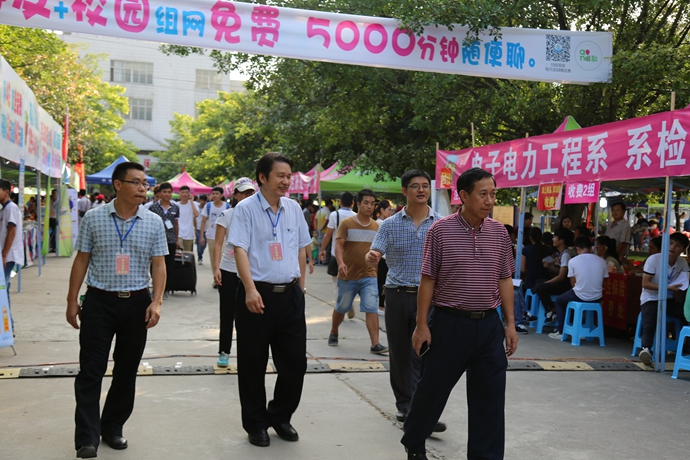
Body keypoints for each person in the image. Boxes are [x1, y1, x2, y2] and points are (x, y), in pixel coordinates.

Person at [401, 168, 517, 460]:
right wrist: (421, 325)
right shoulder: (441, 230)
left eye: (493, 194)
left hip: (488, 326)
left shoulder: (499, 233)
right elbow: (428, 280)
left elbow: (504, 279)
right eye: (483, 194)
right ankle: (414, 442)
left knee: (490, 399)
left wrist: (510, 323)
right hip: (448, 324)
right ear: (463, 196)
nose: (489, 200)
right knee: (432, 391)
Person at [65, 162, 167, 459]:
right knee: (91, 369)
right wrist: (72, 300)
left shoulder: (153, 221)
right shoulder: (94, 217)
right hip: (99, 302)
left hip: (137, 304)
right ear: (118, 185)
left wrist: (156, 302)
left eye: (145, 183)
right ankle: (87, 437)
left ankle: (112, 427)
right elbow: (82, 259)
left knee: (126, 370)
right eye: (136, 182)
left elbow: (159, 264)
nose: (142, 188)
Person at [228, 152, 311, 447]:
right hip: (257, 295)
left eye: (288, 176)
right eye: (280, 176)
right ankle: (256, 424)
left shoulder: (293, 208)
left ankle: (280, 415)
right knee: (253, 363)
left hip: (290, 296)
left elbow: (301, 247)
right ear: (262, 178)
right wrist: (250, 289)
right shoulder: (245, 209)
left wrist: (301, 287)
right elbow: (239, 249)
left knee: (295, 363)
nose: (285, 181)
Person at [366, 170, 444, 429]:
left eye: (425, 186)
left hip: (430, 299)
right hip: (398, 295)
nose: (421, 190)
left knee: (426, 354)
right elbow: (374, 251)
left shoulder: (441, 224)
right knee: (400, 353)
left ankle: (422, 409)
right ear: (404, 191)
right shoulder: (389, 224)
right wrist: (371, 257)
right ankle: (404, 406)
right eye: (415, 186)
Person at [328, 189, 388, 354]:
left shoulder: (376, 226)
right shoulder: (346, 223)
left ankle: (375, 344)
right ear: (358, 204)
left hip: (369, 275)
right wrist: (340, 263)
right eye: (366, 203)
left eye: (372, 203)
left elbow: (378, 250)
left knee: (371, 307)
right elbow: (338, 245)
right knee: (342, 307)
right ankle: (334, 331)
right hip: (347, 275)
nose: (369, 206)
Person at [212, 177, 256, 367]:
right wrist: (216, 268)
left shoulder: (257, 215)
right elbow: (218, 243)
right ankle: (224, 351)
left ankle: (248, 353)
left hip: (251, 271)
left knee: (249, 315)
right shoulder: (227, 215)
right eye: (244, 192)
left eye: (250, 192)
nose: (247, 196)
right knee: (227, 313)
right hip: (229, 270)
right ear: (235, 195)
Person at [637, 232, 690, 365]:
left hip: (668, 299)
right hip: (650, 297)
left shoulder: (682, 262)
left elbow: (686, 279)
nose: (673, 247)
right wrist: (667, 287)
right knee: (650, 322)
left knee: (686, 314)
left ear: (683, 249)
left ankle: (685, 348)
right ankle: (646, 349)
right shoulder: (654, 259)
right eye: (670, 243)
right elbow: (645, 283)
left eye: (678, 245)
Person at [548, 236, 609, 339]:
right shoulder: (602, 261)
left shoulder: (573, 261)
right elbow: (604, 282)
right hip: (597, 297)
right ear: (590, 247)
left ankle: (561, 331)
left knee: (559, 301)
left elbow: (573, 284)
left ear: (577, 249)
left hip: (579, 295)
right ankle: (584, 328)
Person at [319, 192, 356, 317]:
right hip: (351, 256)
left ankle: (340, 308)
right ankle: (350, 302)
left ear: (340, 202)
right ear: (353, 204)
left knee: (337, 284)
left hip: (336, 254)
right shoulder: (355, 216)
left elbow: (328, 234)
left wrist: (322, 249)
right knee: (350, 281)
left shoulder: (335, 215)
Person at [532, 228, 576, 323]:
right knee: (538, 282)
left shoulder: (566, 255)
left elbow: (561, 276)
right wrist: (550, 267)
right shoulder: (561, 254)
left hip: (566, 285)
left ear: (561, 240)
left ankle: (552, 310)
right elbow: (559, 270)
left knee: (540, 286)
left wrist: (546, 283)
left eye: (555, 237)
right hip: (562, 282)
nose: (553, 239)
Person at [148, 183, 180, 299]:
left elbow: (176, 224)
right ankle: (155, 288)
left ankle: (165, 289)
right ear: (160, 193)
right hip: (156, 240)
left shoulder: (175, 207)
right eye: (164, 192)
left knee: (169, 265)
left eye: (169, 192)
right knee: (155, 265)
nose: (167, 194)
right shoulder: (153, 207)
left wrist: (177, 239)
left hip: (170, 240)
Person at [0, 179, 22, 334]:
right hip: (6, 255)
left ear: (6, 192)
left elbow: (12, 232)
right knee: (3, 290)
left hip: (8, 256)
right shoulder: (5, 209)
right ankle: (7, 326)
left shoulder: (11, 208)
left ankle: (8, 327)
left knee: (2, 290)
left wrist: (4, 254)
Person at [200, 187, 230, 287]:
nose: (215, 195)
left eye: (217, 193)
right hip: (211, 236)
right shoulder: (208, 206)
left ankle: (222, 278)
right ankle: (216, 278)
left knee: (222, 258)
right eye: (213, 194)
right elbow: (203, 221)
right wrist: (201, 236)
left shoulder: (227, 206)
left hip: (224, 237)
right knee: (214, 259)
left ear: (221, 195)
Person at [375, 199, 392, 311]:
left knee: (382, 281)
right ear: (382, 210)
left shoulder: (379, 222)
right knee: (383, 282)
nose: (391, 212)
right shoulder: (381, 223)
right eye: (389, 210)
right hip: (383, 257)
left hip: (382, 257)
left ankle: (381, 304)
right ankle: (381, 305)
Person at [176, 185, 199, 252]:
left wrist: (191, 201)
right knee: (180, 253)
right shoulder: (176, 205)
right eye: (182, 192)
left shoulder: (194, 204)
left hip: (189, 234)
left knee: (188, 254)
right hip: (179, 233)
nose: (184, 194)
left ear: (189, 194)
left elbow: (196, 214)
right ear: (179, 193)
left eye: (186, 192)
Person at [315, 199, 334, 264]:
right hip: (325, 231)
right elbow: (326, 221)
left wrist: (317, 229)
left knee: (319, 245)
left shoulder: (319, 211)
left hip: (318, 230)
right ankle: (325, 261)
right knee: (325, 246)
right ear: (330, 205)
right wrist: (321, 229)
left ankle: (318, 260)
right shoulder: (328, 212)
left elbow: (315, 220)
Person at [195, 194, 208, 264]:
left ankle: (201, 253)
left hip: (206, 229)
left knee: (204, 244)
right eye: (202, 200)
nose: (203, 202)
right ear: (199, 200)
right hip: (198, 228)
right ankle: (200, 257)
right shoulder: (196, 207)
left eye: (204, 201)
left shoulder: (207, 208)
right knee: (199, 244)